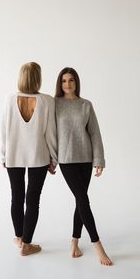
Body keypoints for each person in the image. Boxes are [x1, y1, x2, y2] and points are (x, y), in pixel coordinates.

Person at [55, 67, 113, 265]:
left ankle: (74, 242)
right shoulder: (54, 104)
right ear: (60, 83)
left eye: (71, 80)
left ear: (76, 82)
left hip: (86, 159)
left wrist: (99, 160)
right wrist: (51, 159)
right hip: (66, 159)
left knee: (80, 201)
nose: (68, 84)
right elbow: (49, 134)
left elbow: (95, 133)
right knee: (83, 199)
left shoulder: (86, 105)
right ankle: (98, 247)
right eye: (64, 81)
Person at [1, 62, 57, 256]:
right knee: (33, 200)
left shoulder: (10, 99)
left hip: (14, 155)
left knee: (16, 196)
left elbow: (4, 130)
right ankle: (27, 244)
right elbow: (51, 134)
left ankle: (19, 237)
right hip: (38, 157)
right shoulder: (47, 100)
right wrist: (54, 158)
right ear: (38, 78)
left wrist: (4, 154)